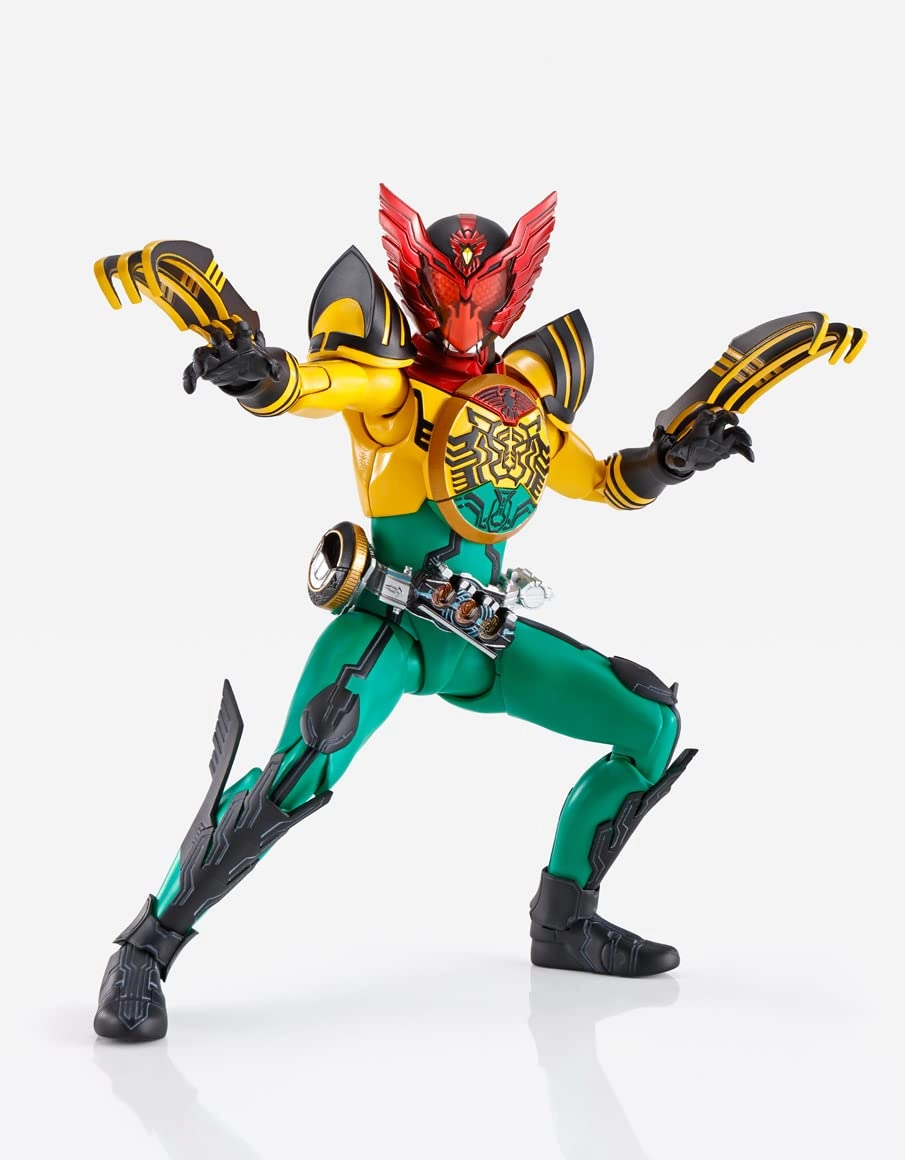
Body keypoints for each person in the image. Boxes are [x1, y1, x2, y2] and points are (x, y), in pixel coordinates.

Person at [92, 186, 862, 1041]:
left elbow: (607, 482)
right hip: (391, 627)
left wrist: (677, 456)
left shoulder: (520, 402)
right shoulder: (389, 388)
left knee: (646, 722)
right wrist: (252, 368)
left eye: (484, 293)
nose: (465, 313)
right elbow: (304, 385)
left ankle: (563, 923)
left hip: (484, 635)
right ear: (415, 286)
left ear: (512, 291)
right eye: (449, 293)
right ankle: (144, 949)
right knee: (305, 761)